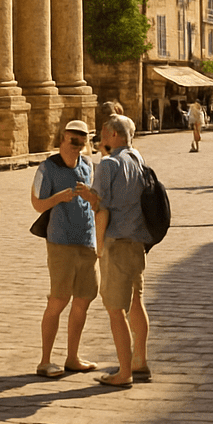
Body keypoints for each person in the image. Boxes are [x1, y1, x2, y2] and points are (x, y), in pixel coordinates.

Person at [83, 114, 151, 389]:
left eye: (102, 132)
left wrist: (99, 247)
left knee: (115, 309)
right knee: (136, 301)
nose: (99, 137)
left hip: (117, 242)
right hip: (137, 241)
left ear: (113, 136)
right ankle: (140, 361)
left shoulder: (108, 164)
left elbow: (102, 209)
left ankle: (124, 373)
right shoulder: (138, 159)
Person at [31, 120, 100, 377]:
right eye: (74, 141)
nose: (78, 147)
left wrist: (90, 196)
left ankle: (73, 357)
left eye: (83, 142)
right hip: (60, 242)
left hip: (86, 241)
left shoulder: (87, 166)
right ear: (62, 138)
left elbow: (96, 201)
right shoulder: (48, 168)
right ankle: (45, 360)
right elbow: (37, 205)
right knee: (59, 299)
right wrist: (59, 197)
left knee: (83, 299)